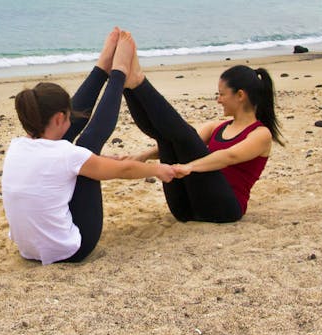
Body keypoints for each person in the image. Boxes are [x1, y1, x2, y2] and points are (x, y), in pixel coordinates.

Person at [0, 29, 181, 264]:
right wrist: (159, 170)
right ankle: (117, 73)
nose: (72, 118)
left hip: (29, 250)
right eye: (68, 116)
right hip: (72, 250)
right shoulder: (67, 154)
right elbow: (123, 171)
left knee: (82, 153)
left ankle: (102, 68)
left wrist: (102, 162)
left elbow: (61, 164)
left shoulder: (17, 147)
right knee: (88, 144)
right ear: (58, 118)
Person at [120, 32, 284, 223]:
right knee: (167, 138)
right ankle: (128, 86)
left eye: (222, 94)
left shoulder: (260, 134)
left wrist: (189, 167)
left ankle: (139, 81)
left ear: (240, 95)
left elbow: (228, 157)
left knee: (186, 135)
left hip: (225, 209)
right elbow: (180, 142)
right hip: (186, 209)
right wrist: (143, 156)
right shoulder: (217, 127)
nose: (218, 99)